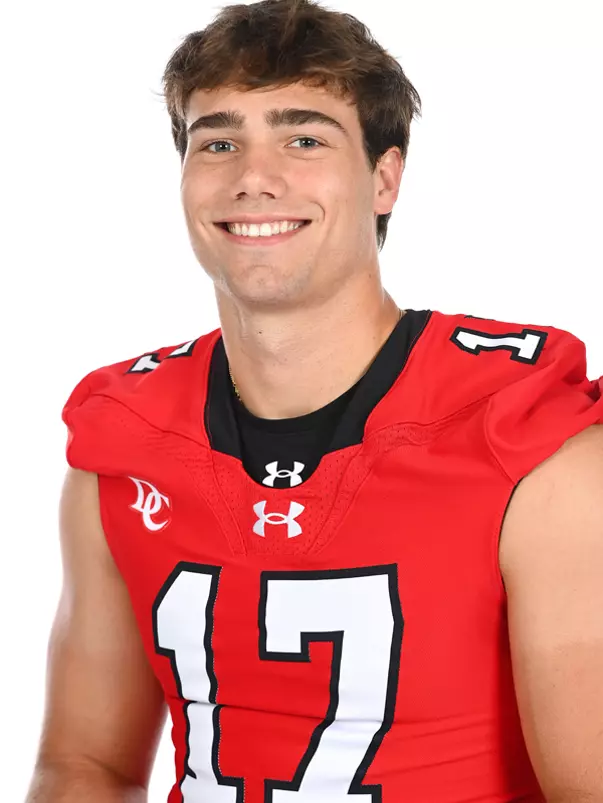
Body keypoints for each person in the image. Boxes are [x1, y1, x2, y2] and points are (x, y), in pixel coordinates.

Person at [26, 0, 603, 801]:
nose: (254, 177)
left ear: (384, 178)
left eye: (303, 138)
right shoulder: (123, 441)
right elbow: (85, 764)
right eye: (217, 141)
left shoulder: (526, 439)